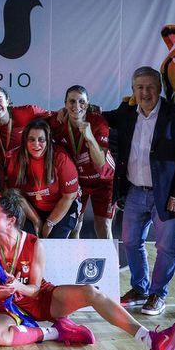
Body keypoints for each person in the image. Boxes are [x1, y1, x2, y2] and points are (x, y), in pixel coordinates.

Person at [0, 190, 175, 350]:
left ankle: (151, 340)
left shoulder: (34, 244)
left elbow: (34, 290)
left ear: (11, 220)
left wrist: (17, 286)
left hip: (41, 300)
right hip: (10, 308)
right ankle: (56, 332)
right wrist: (4, 292)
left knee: (90, 291)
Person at [101, 67, 175, 316]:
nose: (145, 92)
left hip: (167, 196)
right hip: (134, 191)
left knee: (166, 247)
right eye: (140, 87)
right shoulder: (126, 114)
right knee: (131, 242)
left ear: (160, 88)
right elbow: (100, 118)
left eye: (150, 87)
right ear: (133, 91)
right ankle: (139, 288)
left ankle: (157, 294)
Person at [49, 86, 114, 239]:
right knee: (74, 226)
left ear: (88, 103)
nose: (76, 106)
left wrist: (89, 136)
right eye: (72, 101)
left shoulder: (98, 122)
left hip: (104, 180)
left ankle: (111, 263)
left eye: (81, 102)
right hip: (79, 182)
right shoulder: (58, 122)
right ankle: (75, 262)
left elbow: (99, 162)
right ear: (65, 104)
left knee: (103, 226)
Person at [5, 120, 79, 239]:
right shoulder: (16, 159)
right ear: (25, 141)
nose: (36, 144)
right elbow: (16, 195)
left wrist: (49, 224)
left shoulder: (61, 158)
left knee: (54, 241)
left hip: (60, 208)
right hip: (31, 209)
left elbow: (69, 196)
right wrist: (36, 221)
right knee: (29, 240)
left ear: (48, 141)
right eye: (31, 139)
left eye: (41, 140)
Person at [0, 86, 49, 172]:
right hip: (2, 170)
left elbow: (53, 117)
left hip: (26, 167)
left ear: (7, 101)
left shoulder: (27, 112)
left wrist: (63, 111)